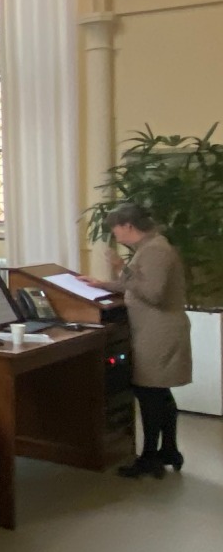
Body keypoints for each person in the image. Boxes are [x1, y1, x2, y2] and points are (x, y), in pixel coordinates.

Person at [85, 203, 193, 478]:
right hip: (155, 330)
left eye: (116, 229)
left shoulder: (155, 250)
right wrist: (101, 284)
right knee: (158, 394)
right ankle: (168, 450)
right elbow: (136, 286)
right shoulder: (150, 247)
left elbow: (153, 293)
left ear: (128, 226)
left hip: (158, 332)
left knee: (149, 393)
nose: (116, 236)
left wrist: (123, 268)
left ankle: (149, 457)